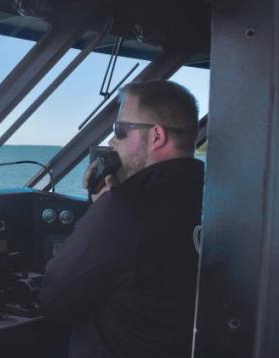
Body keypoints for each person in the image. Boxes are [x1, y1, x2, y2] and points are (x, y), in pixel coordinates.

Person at [40, 80, 204, 358]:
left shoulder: (128, 208)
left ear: (156, 137)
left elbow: (55, 299)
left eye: (120, 130)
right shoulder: (207, 196)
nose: (111, 141)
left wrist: (104, 209)